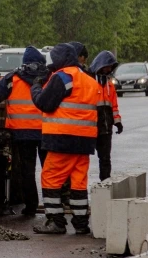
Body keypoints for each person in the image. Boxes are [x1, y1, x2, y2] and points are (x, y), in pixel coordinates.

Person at [30, 43, 100, 235]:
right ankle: (81, 224)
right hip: (84, 142)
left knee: (50, 179)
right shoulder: (89, 81)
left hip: (62, 139)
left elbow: (44, 103)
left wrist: (36, 87)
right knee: (78, 183)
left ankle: (56, 222)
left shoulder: (62, 77)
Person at [0, 46, 50, 216]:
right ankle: (52, 206)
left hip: (22, 133)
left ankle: (31, 206)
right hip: (46, 131)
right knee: (49, 171)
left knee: (27, 171)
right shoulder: (49, 77)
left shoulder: (13, 78)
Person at [90, 51, 123, 181]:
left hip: (105, 129)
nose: (109, 69)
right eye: (107, 66)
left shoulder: (109, 84)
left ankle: (105, 185)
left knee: (105, 160)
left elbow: (114, 106)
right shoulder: (90, 82)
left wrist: (117, 122)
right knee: (82, 161)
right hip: (91, 128)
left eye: (111, 67)